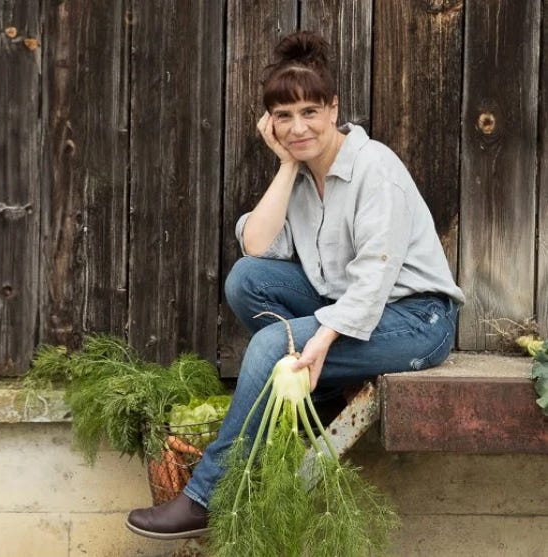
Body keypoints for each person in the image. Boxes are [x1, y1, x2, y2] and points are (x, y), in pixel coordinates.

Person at [125, 30, 465, 540]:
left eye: (309, 111)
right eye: (284, 116)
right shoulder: (303, 175)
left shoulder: (376, 168)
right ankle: (321, 392)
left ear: (333, 108)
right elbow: (258, 248)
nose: (298, 126)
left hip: (416, 319)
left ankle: (206, 496)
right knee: (247, 280)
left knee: (270, 345)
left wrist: (318, 339)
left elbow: (375, 275)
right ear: (270, 123)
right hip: (349, 307)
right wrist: (287, 165)